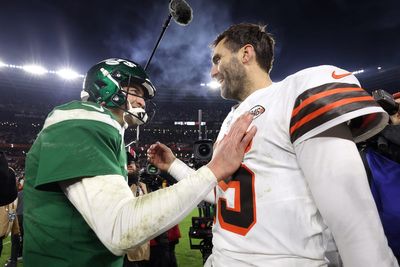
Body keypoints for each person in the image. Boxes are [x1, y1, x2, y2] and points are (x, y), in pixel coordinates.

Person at [147, 23, 399, 267]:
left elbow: (352, 216)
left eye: (217, 59)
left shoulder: (295, 92)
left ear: (246, 53)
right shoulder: (230, 120)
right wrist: (174, 165)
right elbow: (223, 193)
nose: (213, 72)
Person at [23, 58, 256, 267]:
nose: (142, 102)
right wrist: (214, 169)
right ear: (106, 86)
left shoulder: (102, 128)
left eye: (143, 97)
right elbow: (120, 229)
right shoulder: (83, 122)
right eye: (134, 91)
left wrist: (174, 166)